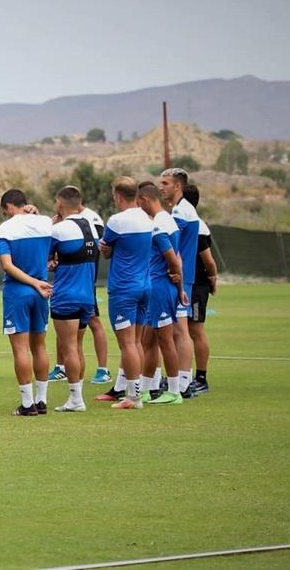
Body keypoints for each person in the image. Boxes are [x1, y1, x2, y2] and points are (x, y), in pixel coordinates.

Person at [0, 189, 54, 416]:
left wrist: (31, 283)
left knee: (20, 349)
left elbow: (7, 265)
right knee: (39, 346)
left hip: (18, 291)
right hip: (41, 291)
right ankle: (42, 401)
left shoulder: (7, 228)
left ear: (9, 206)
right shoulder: (44, 223)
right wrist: (38, 283)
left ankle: (28, 404)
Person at [96, 177, 152, 410]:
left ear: (118, 195)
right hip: (145, 285)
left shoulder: (117, 221)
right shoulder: (147, 218)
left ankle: (134, 397)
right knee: (136, 341)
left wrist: (106, 248)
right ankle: (136, 392)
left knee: (127, 343)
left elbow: (106, 249)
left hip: (124, 289)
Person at [48, 186, 100, 412]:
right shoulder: (92, 227)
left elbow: (46, 257)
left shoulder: (59, 230)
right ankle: (76, 397)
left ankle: (76, 400)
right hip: (87, 296)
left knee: (68, 348)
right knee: (77, 346)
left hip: (66, 296)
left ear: (60, 205)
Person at [136, 181, 188, 405]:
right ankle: (146, 389)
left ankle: (175, 391)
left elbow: (173, 259)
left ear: (145, 200)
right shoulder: (167, 219)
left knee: (165, 340)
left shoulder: (158, 225)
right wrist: (179, 285)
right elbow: (177, 258)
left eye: (139, 203)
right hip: (159, 286)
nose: (139, 207)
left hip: (159, 287)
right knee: (148, 340)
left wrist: (178, 285)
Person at [52, 201, 112, 385]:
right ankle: (61, 368)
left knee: (84, 331)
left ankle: (102, 369)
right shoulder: (78, 223)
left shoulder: (91, 219)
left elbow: (99, 249)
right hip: (83, 286)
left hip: (78, 284)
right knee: (72, 339)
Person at [159, 167, 200, 397]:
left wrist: (177, 278)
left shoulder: (180, 213)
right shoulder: (184, 209)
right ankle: (184, 379)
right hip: (183, 277)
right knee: (178, 330)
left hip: (179, 279)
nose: (161, 187)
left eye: (165, 183)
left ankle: (184, 382)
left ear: (178, 186)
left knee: (180, 331)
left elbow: (177, 252)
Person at [184, 184, 216, 394]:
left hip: (196, 285)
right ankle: (180, 376)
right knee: (182, 330)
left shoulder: (197, 226)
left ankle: (201, 378)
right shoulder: (185, 221)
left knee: (195, 330)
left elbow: (209, 260)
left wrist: (213, 277)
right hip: (186, 284)